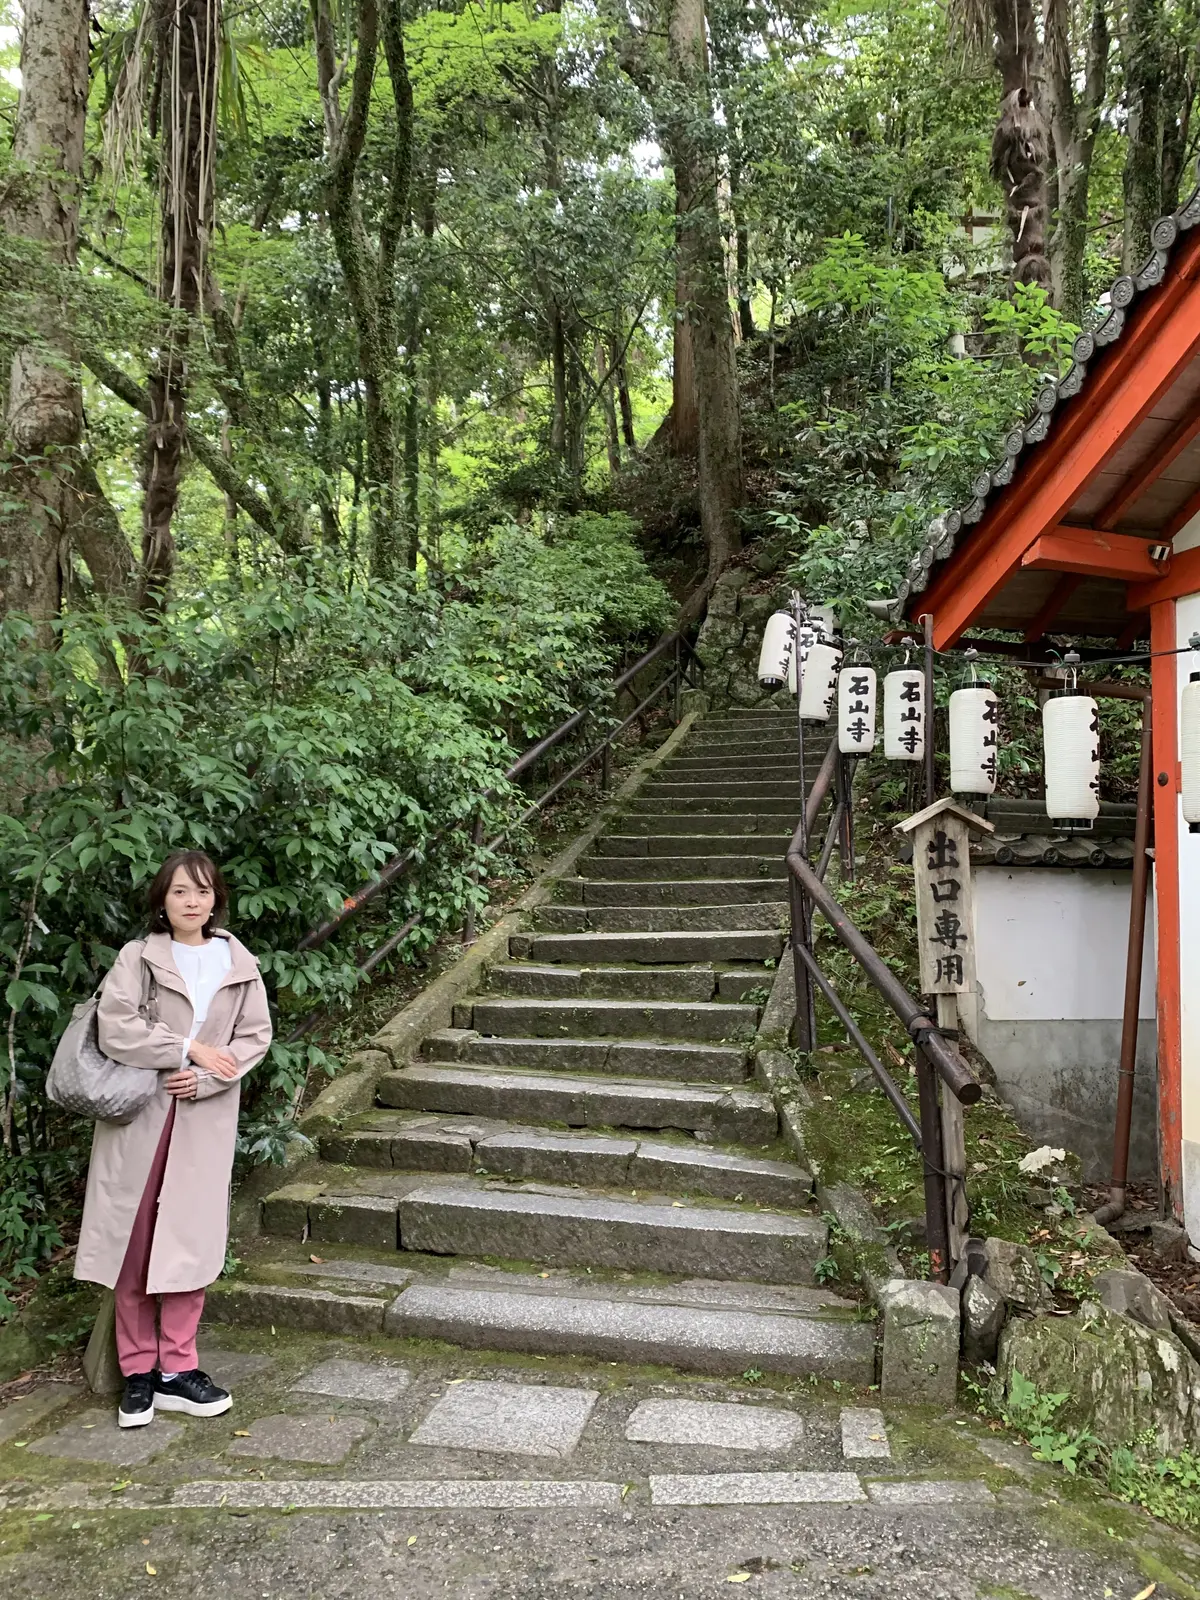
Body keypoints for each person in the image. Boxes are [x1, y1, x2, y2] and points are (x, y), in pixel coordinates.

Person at [73, 850, 272, 1428]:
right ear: (162, 898)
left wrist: (207, 1077)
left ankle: (178, 1368)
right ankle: (137, 1372)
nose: (193, 902)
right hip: (140, 1114)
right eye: (181, 892)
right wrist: (184, 1049)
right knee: (133, 1241)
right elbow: (117, 1027)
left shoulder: (239, 960)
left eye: (204, 892)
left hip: (202, 1117)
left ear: (217, 899)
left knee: (188, 1237)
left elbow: (255, 1038)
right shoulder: (138, 957)